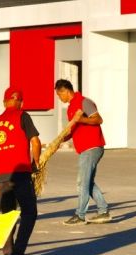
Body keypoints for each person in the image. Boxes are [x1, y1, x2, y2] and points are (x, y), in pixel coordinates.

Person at [0, 87, 41, 255]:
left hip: (1, 176)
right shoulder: (22, 116)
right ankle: (19, 252)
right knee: (29, 211)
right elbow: (35, 141)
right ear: (20, 102)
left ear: (4, 101)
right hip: (20, 173)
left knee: (8, 215)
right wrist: (36, 163)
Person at [55, 79, 112, 224]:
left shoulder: (84, 102)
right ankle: (103, 211)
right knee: (88, 182)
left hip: (92, 147)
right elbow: (73, 130)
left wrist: (81, 119)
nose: (59, 98)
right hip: (84, 149)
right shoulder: (70, 108)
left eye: (59, 95)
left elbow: (98, 119)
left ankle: (80, 215)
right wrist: (60, 140)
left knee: (82, 183)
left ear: (65, 91)